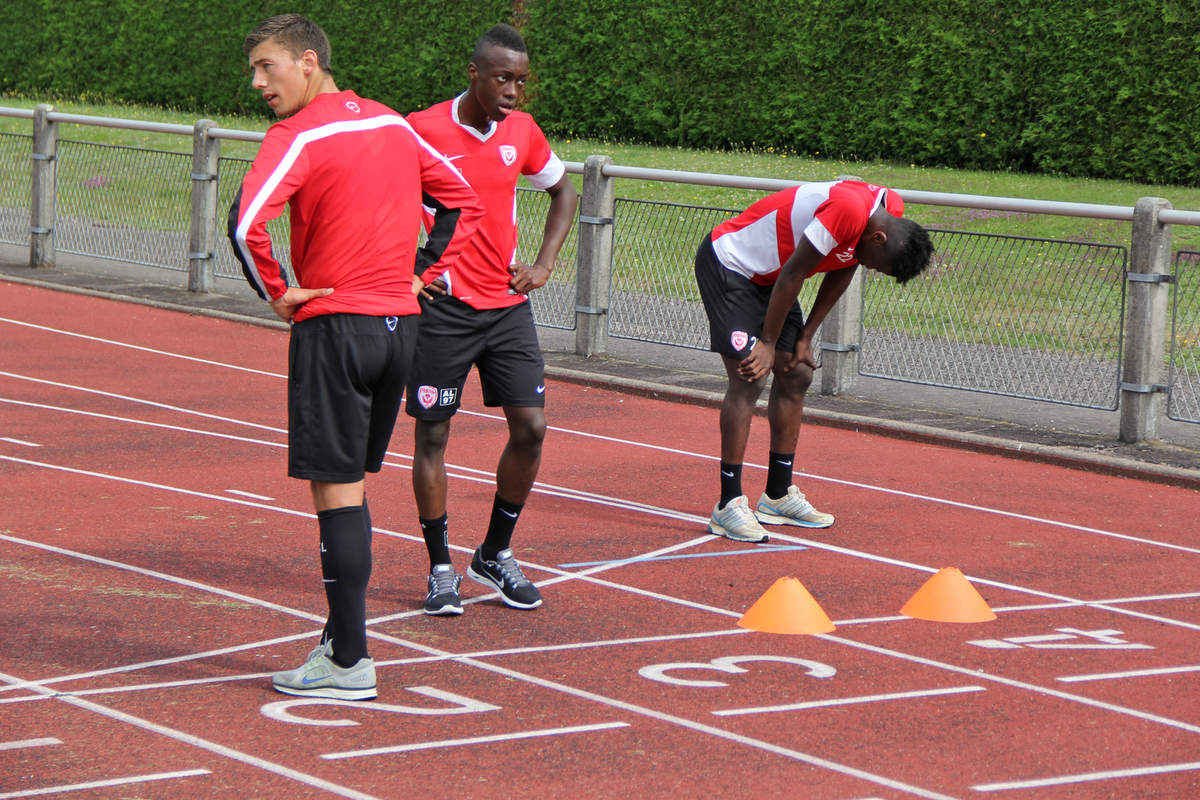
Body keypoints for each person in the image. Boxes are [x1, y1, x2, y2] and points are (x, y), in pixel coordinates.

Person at [228, 14, 482, 699]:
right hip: (400, 331)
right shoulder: (395, 124)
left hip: (336, 328)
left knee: (337, 494)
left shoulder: (299, 134)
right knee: (354, 489)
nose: (258, 83)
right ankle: (340, 643)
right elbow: (462, 200)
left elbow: (246, 223)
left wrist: (278, 293)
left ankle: (350, 662)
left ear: (308, 62)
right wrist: (423, 275)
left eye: (268, 67)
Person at [405, 23, 578, 616]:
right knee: (434, 434)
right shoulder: (420, 130)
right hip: (443, 309)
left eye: (522, 81)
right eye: (503, 78)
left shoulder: (522, 132)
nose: (513, 91)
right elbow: (388, 206)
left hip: (506, 307)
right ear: (474, 73)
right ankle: (440, 569)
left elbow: (564, 192)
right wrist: (412, 274)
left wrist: (544, 262)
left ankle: (495, 554)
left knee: (531, 428)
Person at [695, 180, 933, 543]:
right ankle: (728, 504)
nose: (872, 270)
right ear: (879, 239)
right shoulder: (849, 211)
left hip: (772, 278)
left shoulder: (889, 209)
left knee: (797, 374)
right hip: (731, 266)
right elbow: (795, 274)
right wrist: (769, 343)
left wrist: (806, 336)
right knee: (749, 377)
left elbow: (846, 266)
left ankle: (777, 495)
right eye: (879, 267)